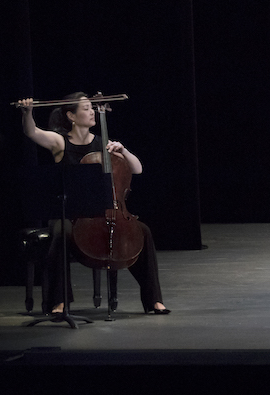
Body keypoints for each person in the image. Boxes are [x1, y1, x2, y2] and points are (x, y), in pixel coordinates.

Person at [19, 93, 170, 314]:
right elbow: (31, 132)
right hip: (69, 213)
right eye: (87, 108)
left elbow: (137, 169)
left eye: (92, 108)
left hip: (100, 212)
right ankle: (60, 301)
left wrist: (123, 151)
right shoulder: (60, 142)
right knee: (61, 233)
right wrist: (28, 113)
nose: (92, 112)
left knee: (143, 231)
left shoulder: (103, 143)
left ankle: (153, 299)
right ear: (72, 115)